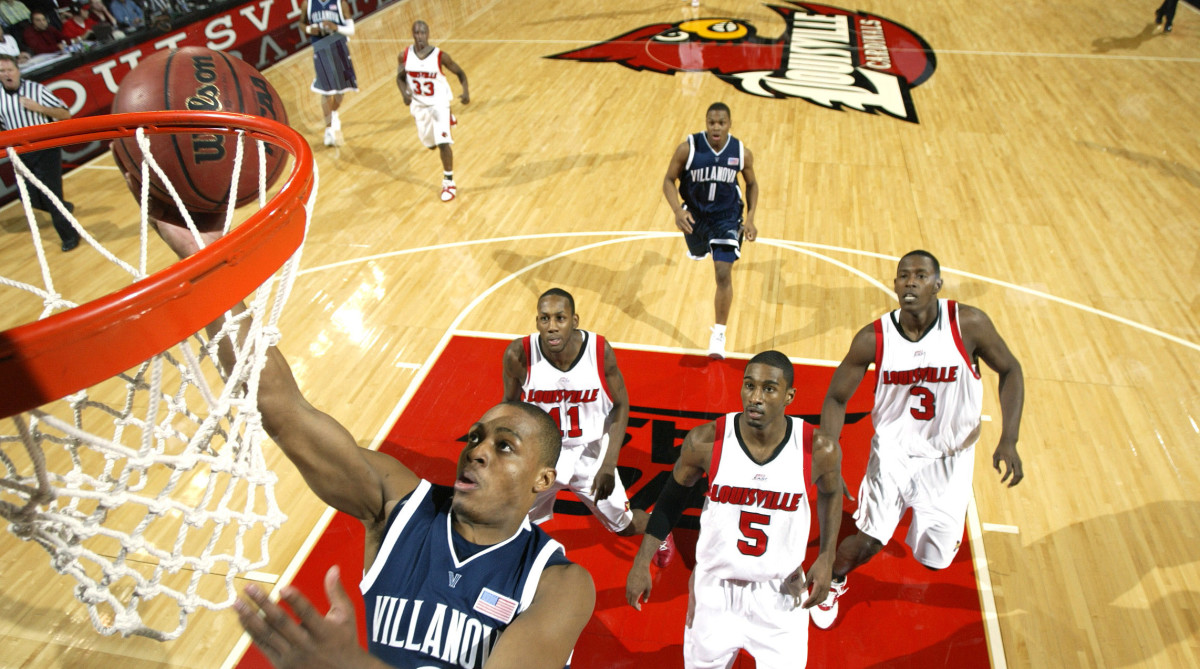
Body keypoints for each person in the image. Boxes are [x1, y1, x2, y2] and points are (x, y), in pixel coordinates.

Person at [134, 217, 597, 667]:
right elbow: (284, 410)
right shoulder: (400, 506)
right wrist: (204, 258)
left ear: (544, 479)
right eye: (475, 437)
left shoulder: (558, 583)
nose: (476, 450)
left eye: (504, 446)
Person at [808, 250, 1025, 629]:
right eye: (903, 276)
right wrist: (830, 450)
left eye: (921, 276)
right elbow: (836, 397)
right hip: (893, 456)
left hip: (950, 460)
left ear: (937, 284)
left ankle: (919, 525)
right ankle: (833, 580)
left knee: (933, 558)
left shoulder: (968, 324)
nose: (910, 282)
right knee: (867, 542)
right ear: (894, 285)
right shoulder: (873, 338)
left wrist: (1009, 438)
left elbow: (1010, 369)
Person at [626, 351, 842, 669]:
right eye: (749, 385)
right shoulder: (706, 441)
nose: (755, 397)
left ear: (789, 396)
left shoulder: (816, 448)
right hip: (715, 591)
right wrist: (642, 561)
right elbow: (670, 500)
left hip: (780, 593)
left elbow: (832, 493)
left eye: (769, 388)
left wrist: (826, 556)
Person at [502, 288, 674, 564]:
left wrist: (608, 464)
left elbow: (621, 406)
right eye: (545, 319)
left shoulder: (599, 352)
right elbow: (509, 406)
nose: (552, 327)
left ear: (575, 320)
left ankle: (659, 528)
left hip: (590, 454)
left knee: (625, 526)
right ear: (537, 322)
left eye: (560, 318)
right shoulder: (518, 355)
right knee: (510, 519)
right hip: (543, 453)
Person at [662, 101, 758, 360]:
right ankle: (700, 247)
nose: (716, 127)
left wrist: (749, 217)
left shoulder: (741, 152)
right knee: (697, 249)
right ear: (706, 123)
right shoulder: (688, 149)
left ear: (729, 124)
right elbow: (668, 180)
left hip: (726, 217)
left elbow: (752, 184)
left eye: (721, 123)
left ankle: (718, 334)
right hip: (695, 214)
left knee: (723, 272)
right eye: (712, 123)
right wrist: (677, 211)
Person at [0, 54, 78, 251]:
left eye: (10, 69)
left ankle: (70, 236)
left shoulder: (36, 90)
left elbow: (65, 114)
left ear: (18, 71)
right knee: (28, 197)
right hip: (19, 152)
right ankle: (64, 208)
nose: (7, 74)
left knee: (51, 194)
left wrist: (39, 108)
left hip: (45, 148)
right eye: (2, 71)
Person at [396, 19, 468, 202]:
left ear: (428, 34)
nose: (420, 36)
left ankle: (449, 182)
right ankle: (446, 122)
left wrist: (465, 92)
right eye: (416, 33)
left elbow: (460, 73)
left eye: (422, 32)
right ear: (412, 34)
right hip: (419, 106)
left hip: (439, 104)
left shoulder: (440, 56)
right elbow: (400, 77)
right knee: (430, 144)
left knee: (444, 143)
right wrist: (404, 93)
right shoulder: (404, 55)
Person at [302, 0, 357, 147]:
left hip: (340, 50)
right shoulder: (308, 4)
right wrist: (310, 30)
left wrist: (335, 27)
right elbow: (302, 24)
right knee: (326, 92)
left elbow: (351, 30)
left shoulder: (340, 3)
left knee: (340, 91)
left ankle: (333, 113)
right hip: (321, 52)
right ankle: (328, 129)